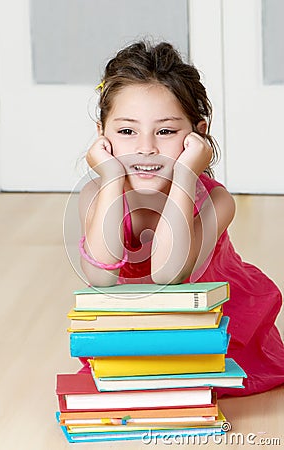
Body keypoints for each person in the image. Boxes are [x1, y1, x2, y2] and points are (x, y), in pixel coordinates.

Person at [78, 40, 284, 397]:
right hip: (136, 335)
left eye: (166, 131)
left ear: (197, 133)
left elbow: (167, 275)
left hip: (215, 330)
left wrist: (186, 176)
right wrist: (111, 179)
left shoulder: (216, 200)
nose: (146, 147)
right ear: (102, 135)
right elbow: (100, 275)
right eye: (127, 131)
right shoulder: (97, 194)